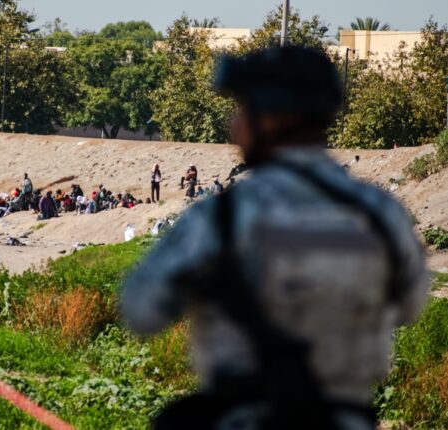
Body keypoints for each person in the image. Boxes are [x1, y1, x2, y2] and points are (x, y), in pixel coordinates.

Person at [121, 46, 428, 430]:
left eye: (241, 109)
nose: (235, 125)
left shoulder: (225, 216)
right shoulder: (381, 214)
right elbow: (411, 307)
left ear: (271, 118)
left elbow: (141, 311)